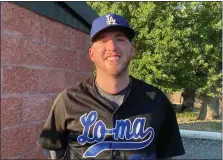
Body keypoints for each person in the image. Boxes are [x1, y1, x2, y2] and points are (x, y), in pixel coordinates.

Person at [38, 13, 185, 160]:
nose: (112, 47)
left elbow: (165, 153)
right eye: (102, 41)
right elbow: (53, 152)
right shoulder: (69, 100)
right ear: (92, 54)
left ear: (132, 49)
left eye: (119, 39)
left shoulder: (157, 100)